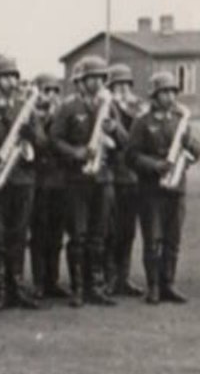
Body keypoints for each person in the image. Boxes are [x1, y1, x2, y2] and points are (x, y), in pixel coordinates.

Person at [50, 56, 125, 307]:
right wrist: (76, 152)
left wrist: (114, 129)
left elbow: (125, 142)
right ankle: (78, 288)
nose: (97, 83)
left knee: (99, 235)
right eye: (92, 78)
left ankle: (97, 286)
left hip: (102, 178)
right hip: (76, 179)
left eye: (101, 78)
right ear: (80, 81)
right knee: (78, 235)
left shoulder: (109, 105)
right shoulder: (67, 107)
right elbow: (55, 140)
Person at [0, 57, 41, 311]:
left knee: (19, 235)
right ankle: (0, 289)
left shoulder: (26, 109)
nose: (12, 82)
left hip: (22, 180)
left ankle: (18, 287)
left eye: (14, 77)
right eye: (6, 77)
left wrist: (31, 136)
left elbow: (42, 145)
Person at [126, 71, 200, 303]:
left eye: (172, 92)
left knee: (172, 239)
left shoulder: (180, 120)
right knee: (153, 239)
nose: (169, 96)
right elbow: (131, 156)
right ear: (154, 96)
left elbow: (195, 152)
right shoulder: (142, 121)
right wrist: (156, 165)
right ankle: (154, 286)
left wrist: (191, 148)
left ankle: (169, 283)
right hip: (151, 190)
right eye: (164, 92)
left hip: (176, 188)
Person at [105, 63, 147, 297]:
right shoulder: (107, 106)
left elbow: (136, 142)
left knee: (128, 231)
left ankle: (124, 277)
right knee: (111, 230)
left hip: (133, 177)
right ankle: (110, 277)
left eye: (125, 85)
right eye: (117, 85)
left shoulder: (138, 107)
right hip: (113, 175)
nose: (122, 89)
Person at [29, 73, 70, 300]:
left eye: (55, 91)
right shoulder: (31, 116)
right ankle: (38, 282)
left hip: (60, 181)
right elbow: (42, 142)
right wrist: (39, 119)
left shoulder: (62, 115)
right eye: (46, 91)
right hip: (38, 181)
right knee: (39, 233)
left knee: (56, 234)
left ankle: (51, 281)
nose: (52, 96)